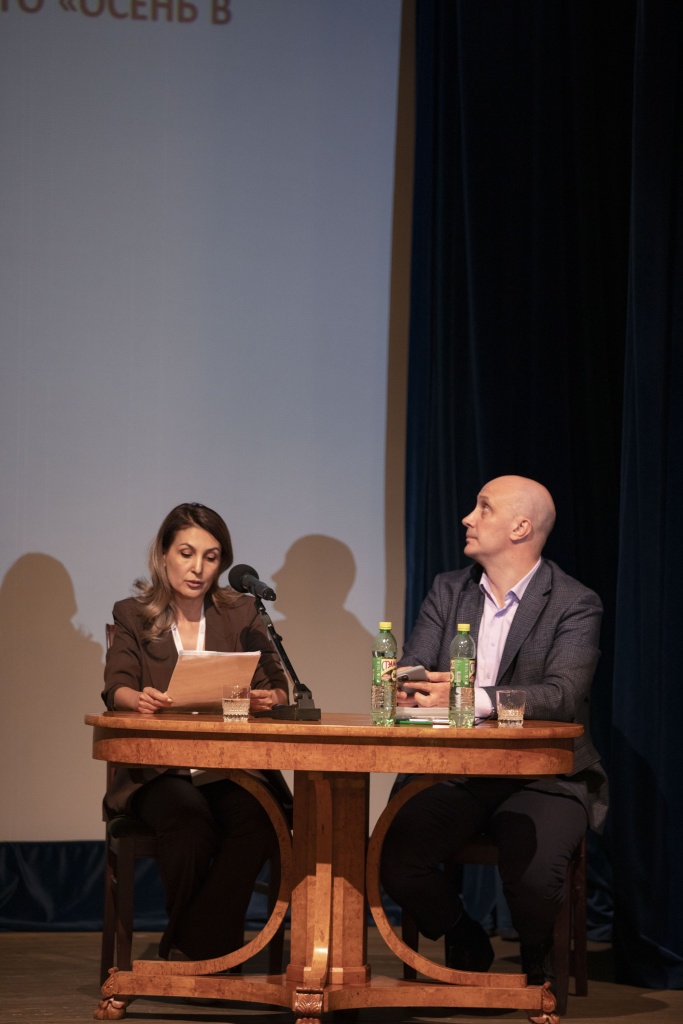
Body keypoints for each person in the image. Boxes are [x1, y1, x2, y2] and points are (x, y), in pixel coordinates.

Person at [380, 476, 608, 990]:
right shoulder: (449, 590)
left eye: (484, 508)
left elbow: (562, 695)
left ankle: (537, 952)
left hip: (543, 775)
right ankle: (463, 933)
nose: (468, 517)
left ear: (520, 528)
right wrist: (409, 686)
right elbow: (414, 669)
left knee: (535, 878)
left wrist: (469, 697)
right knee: (393, 856)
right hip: (456, 770)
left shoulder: (574, 602)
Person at [102, 502, 290, 963]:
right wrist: (138, 698)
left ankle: (192, 947)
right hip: (159, 770)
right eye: (186, 553)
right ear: (163, 554)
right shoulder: (133, 613)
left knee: (259, 821)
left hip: (227, 768)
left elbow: (278, 685)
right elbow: (116, 686)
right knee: (188, 824)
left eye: (211, 557)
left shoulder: (241, 612)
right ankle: (210, 955)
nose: (198, 568)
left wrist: (269, 698)